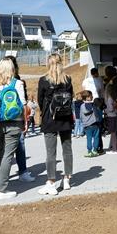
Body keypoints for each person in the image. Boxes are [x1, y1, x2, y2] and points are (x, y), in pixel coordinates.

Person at [0, 57, 28, 200]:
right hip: (13, 122)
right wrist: (25, 122)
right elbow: (23, 105)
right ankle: (2, 189)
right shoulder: (17, 83)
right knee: (7, 155)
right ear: (12, 68)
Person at [37, 52, 74, 195]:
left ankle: (51, 181)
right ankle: (67, 178)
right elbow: (71, 97)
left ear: (49, 63)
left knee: (50, 152)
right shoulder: (68, 79)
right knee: (67, 149)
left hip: (49, 118)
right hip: (65, 117)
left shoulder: (44, 80)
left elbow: (40, 100)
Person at [103, 65, 117, 154]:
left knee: (114, 130)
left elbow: (112, 96)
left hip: (113, 109)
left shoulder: (112, 83)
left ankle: (115, 147)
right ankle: (115, 146)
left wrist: (109, 108)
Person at [80, 90, 102, 156]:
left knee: (89, 138)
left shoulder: (82, 106)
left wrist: (83, 123)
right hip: (95, 124)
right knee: (96, 137)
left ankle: (89, 151)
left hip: (87, 125)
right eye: (90, 96)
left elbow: (82, 115)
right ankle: (95, 150)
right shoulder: (94, 105)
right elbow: (98, 114)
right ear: (86, 97)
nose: (92, 97)